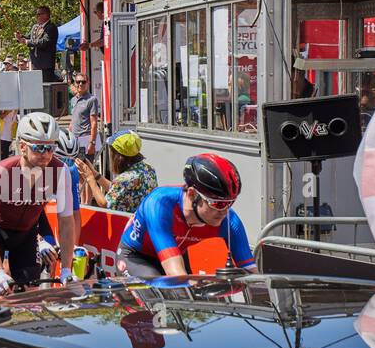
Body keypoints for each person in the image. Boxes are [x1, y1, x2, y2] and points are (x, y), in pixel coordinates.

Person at [0, 112, 78, 294]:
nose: (46, 154)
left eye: (51, 148)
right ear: (22, 147)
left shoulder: (60, 171)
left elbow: (66, 222)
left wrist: (66, 269)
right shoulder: (0, 173)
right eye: (38, 147)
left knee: (30, 295)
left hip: (26, 234)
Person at [117, 153, 257, 278]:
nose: (225, 210)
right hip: (136, 256)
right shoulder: (160, 203)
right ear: (192, 194)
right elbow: (176, 276)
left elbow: (253, 274)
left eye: (230, 203)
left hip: (176, 255)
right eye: (218, 203)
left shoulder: (229, 220)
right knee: (161, 295)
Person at [77, 129, 157, 211]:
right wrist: (94, 173)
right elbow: (115, 189)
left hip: (126, 221)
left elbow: (105, 204)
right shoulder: (149, 169)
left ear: (118, 156)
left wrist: (90, 178)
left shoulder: (124, 180)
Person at [17, 6, 60, 82]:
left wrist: (27, 42)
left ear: (46, 15)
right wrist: (20, 37)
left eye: (39, 14)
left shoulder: (51, 27)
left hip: (46, 65)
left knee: (45, 88)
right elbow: (29, 37)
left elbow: (44, 42)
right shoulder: (35, 27)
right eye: (37, 14)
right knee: (36, 87)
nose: (37, 16)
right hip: (34, 63)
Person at [69, 72, 101, 159]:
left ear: (88, 83)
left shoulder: (91, 99)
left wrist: (92, 143)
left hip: (85, 141)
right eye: (78, 82)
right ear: (75, 83)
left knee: (85, 170)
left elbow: (94, 123)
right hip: (74, 141)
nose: (80, 84)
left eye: (83, 82)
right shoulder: (73, 100)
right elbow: (73, 120)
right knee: (75, 169)